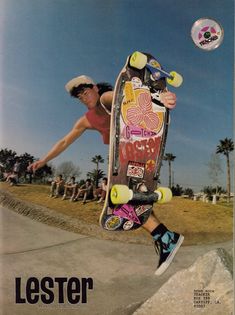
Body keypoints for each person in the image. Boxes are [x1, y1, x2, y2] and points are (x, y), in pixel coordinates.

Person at [28, 74, 184, 276]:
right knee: (127, 202)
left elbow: (127, 97)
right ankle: (166, 237)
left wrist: (159, 97)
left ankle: (166, 238)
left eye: (85, 92)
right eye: (80, 97)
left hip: (135, 151)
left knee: (121, 200)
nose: (84, 98)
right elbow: (65, 141)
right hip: (125, 158)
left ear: (94, 87)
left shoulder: (105, 98)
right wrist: (44, 160)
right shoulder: (86, 120)